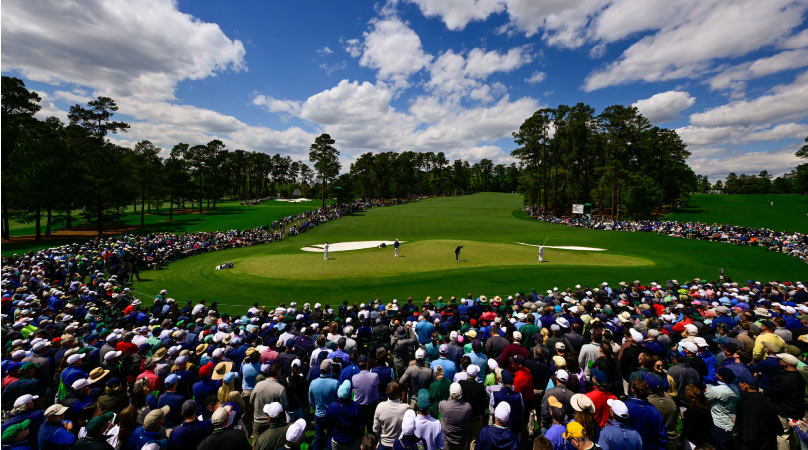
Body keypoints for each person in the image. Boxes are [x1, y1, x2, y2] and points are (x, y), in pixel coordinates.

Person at [374, 381, 410, 450]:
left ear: (386, 393)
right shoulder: (405, 408)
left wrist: (380, 435)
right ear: (398, 393)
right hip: (399, 444)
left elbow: (375, 429)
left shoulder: (380, 406)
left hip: (384, 443)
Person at [327, 380, 363, 449]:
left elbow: (329, 424)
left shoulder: (332, 407)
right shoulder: (355, 407)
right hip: (351, 441)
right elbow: (360, 425)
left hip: (337, 441)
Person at [438, 383, 471, 450]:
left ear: (450, 393)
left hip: (447, 441)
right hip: (462, 441)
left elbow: (440, 406)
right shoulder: (467, 407)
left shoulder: (443, 405)